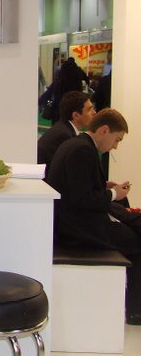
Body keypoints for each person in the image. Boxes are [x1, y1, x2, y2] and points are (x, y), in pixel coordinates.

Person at [47, 108, 141, 323]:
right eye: (117, 140)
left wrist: (105, 186)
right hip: (78, 227)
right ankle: (135, 310)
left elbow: (77, 186)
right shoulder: (83, 150)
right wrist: (113, 194)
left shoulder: (76, 145)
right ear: (104, 130)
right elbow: (82, 199)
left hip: (72, 220)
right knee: (136, 241)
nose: (115, 146)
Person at [37, 91, 95, 177]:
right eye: (89, 109)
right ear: (76, 115)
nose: (94, 113)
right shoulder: (64, 136)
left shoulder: (63, 129)